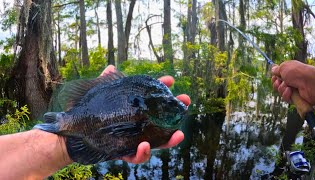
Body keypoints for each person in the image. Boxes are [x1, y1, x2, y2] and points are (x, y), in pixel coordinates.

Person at [0, 65, 191, 179]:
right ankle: (62, 124)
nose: (178, 106)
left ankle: (62, 125)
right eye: (169, 104)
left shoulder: (153, 98)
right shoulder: (150, 102)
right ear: (153, 105)